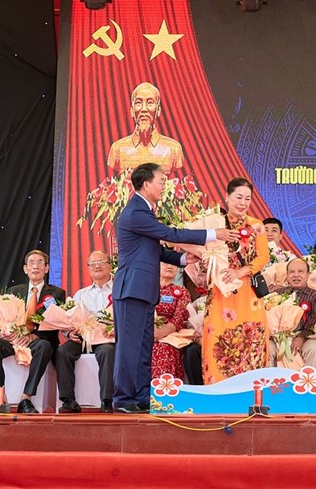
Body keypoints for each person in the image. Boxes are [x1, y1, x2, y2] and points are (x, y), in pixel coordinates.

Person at [113, 162, 226, 414]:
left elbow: (156, 250)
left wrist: (184, 259)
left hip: (143, 290)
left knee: (143, 347)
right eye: (161, 181)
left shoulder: (145, 211)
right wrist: (212, 234)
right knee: (130, 347)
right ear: (146, 184)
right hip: (131, 289)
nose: (165, 186)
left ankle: (142, 396)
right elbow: (169, 234)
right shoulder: (136, 211)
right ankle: (123, 399)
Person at [202, 178, 271, 384]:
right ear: (227, 197)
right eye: (238, 197)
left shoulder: (256, 225)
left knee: (251, 340)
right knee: (218, 338)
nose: (243, 203)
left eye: (247, 199)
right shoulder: (214, 224)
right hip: (220, 291)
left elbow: (263, 257)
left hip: (247, 292)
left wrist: (241, 271)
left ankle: (250, 390)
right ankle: (217, 389)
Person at [0, 250, 66, 414]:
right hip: (14, 340)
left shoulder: (57, 293)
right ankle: (0, 397)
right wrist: (4, 332)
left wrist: (34, 336)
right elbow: (3, 316)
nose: (35, 266)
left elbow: (56, 323)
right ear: (25, 269)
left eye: (40, 263)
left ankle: (26, 398)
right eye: (31, 263)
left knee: (44, 346)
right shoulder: (14, 291)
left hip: (38, 341)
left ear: (46, 268)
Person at [55, 251, 115, 414]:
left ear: (109, 265)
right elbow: (67, 320)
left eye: (101, 262)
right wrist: (69, 333)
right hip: (83, 338)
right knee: (62, 351)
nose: (97, 266)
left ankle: (107, 401)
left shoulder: (118, 290)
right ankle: (68, 401)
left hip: (106, 338)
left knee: (107, 352)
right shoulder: (81, 294)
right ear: (88, 269)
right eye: (92, 264)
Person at [107, 82, 184, 172]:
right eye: (138, 103)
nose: (144, 109)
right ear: (132, 110)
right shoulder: (117, 149)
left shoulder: (174, 149)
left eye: (150, 103)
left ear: (158, 110)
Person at [269, 258, 316, 370]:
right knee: (268, 347)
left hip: (305, 337)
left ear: (308, 275)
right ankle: (270, 380)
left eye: (300, 271)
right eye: (292, 272)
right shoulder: (276, 294)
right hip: (278, 337)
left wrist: (301, 337)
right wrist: (277, 336)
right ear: (287, 275)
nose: (296, 275)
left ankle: (309, 379)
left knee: (315, 348)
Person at [153, 262, 192, 378]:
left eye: (173, 264)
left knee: (165, 348)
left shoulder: (182, 292)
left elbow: (179, 317)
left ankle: (165, 388)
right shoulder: (145, 289)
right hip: (144, 332)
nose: (170, 266)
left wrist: (162, 332)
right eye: (166, 263)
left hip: (170, 334)